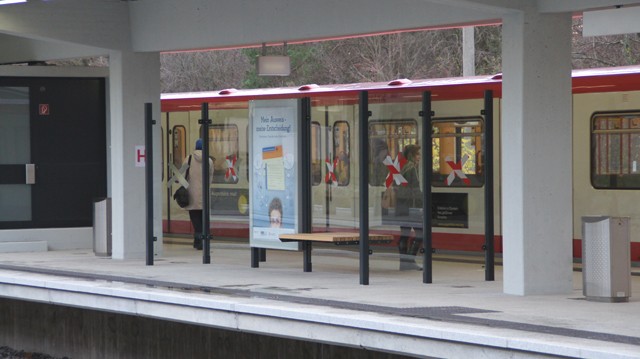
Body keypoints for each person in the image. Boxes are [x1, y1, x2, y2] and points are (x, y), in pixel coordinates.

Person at [395, 144, 423, 271]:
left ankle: (403, 263)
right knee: (420, 234)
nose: (419, 157)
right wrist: (421, 205)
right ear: (412, 155)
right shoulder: (412, 168)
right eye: (417, 154)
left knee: (404, 234)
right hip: (411, 205)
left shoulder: (402, 167)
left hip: (401, 204)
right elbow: (415, 189)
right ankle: (410, 261)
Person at [183, 139, 214, 250]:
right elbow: (210, 178)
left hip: (191, 196)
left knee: (195, 219)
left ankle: (198, 241)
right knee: (203, 219)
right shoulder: (209, 161)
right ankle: (199, 241)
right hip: (204, 196)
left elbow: (182, 176)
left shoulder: (188, 159)